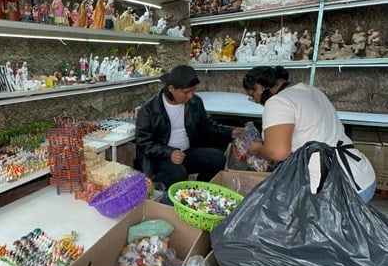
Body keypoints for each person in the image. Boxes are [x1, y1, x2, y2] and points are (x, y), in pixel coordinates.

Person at [242, 66, 376, 203]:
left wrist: (258, 149)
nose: (257, 101)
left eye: (253, 97)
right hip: (360, 176)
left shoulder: (277, 102)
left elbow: (278, 152)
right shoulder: (311, 90)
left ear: (259, 88)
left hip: (332, 189)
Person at [135, 65, 244, 188]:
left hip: (186, 153)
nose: (191, 95)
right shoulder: (149, 109)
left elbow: (208, 125)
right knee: (178, 173)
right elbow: (143, 142)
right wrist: (169, 153)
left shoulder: (195, 102)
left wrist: (230, 132)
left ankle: (198, 190)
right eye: (186, 92)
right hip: (161, 157)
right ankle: (153, 187)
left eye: (193, 90)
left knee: (217, 158)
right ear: (171, 88)